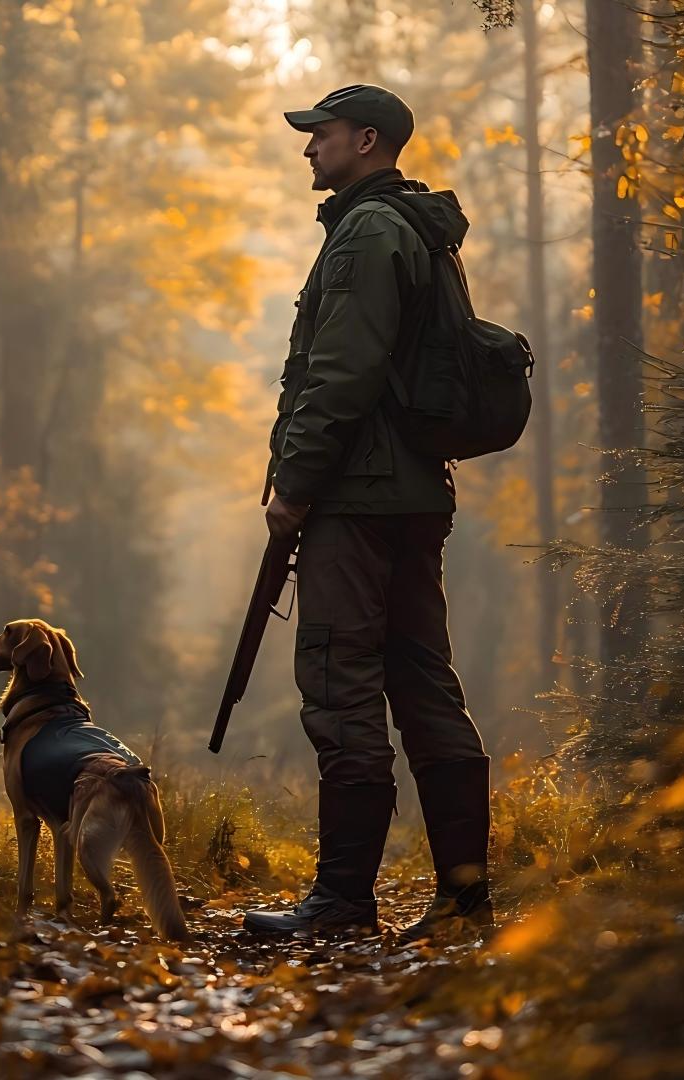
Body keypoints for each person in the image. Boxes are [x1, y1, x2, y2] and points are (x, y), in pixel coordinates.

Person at [243, 85, 493, 942]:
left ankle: (344, 902)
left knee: (340, 683)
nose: (309, 147)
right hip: (416, 494)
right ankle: (464, 902)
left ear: (367, 140)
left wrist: (294, 485)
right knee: (425, 684)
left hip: (356, 498)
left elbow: (340, 374)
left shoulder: (368, 232)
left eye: (322, 134)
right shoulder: (416, 230)